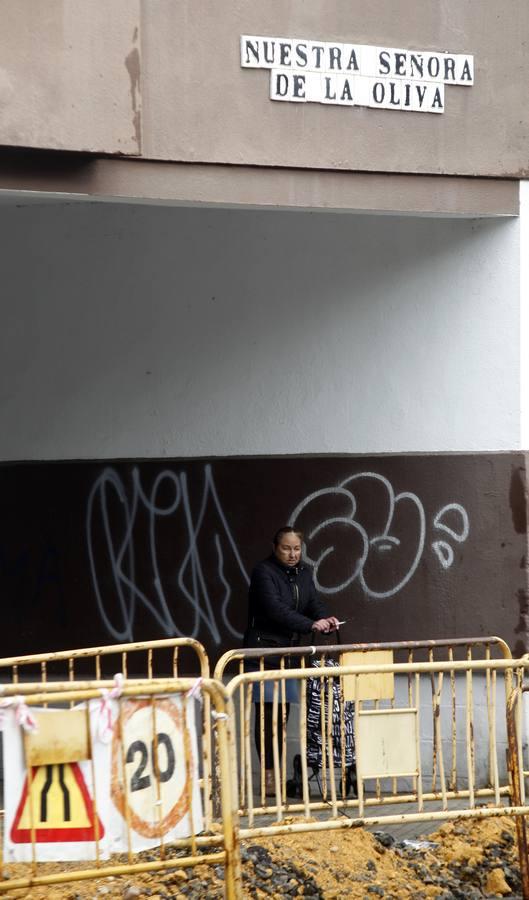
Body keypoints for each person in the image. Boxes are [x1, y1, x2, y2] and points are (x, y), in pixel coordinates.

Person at [243, 526, 340, 795]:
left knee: (281, 716)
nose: (292, 554)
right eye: (286, 548)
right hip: (265, 653)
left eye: (296, 548)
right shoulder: (264, 572)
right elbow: (275, 611)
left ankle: (278, 775)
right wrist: (312, 625)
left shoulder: (304, 572)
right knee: (267, 717)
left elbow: (313, 602)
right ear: (275, 547)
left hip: (288, 654)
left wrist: (326, 618)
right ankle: (269, 778)